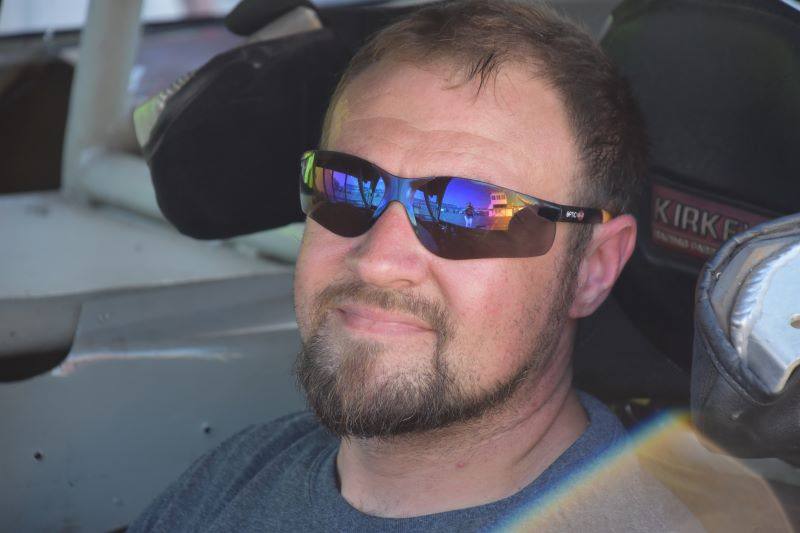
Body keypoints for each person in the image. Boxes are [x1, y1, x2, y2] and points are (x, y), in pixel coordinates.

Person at [130, 1, 701, 531]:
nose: (378, 262)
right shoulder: (237, 475)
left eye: (468, 211)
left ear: (592, 268)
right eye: (346, 187)